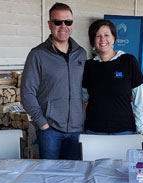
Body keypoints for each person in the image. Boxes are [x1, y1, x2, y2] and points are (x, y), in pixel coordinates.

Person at [21, 3, 87, 160]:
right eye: (58, 22)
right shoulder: (37, 55)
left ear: (72, 24)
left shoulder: (81, 54)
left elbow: (86, 89)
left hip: (77, 130)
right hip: (50, 130)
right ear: (50, 25)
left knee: (75, 176)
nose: (63, 26)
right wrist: (42, 123)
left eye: (68, 22)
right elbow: (27, 92)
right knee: (49, 177)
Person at [82, 19, 143, 135]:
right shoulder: (89, 66)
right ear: (93, 41)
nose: (103, 40)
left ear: (114, 38)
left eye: (107, 35)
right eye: (98, 36)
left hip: (124, 130)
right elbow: (83, 97)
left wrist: (141, 127)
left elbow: (139, 100)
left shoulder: (128, 61)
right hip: (95, 130)